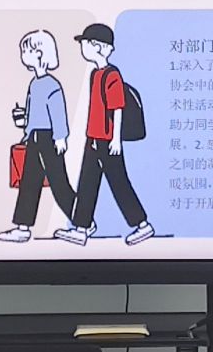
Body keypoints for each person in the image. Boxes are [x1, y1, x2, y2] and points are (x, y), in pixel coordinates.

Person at [57, 21, 153, 246]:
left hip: (108, 141)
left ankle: (143, 225)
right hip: (93, 139)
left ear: (98, 47)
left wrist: (116, 139)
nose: (82, 48)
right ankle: (81, 228)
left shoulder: (112, 75)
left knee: (119, 183)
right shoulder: (95, 74)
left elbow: (117, 107)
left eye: (85, 44)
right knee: (87, 183)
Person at [0, 29, 76, 242]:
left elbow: (58, 113)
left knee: (59, 183)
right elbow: (35, 113)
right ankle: (22, 227)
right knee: (29, 183)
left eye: (26, 51)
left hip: (49, 139)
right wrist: (24, 123)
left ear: (39, 54)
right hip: (34, 138)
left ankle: (82, 221)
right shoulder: (34, 83)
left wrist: (61, 137)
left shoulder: (52, 85)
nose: (23, 55)